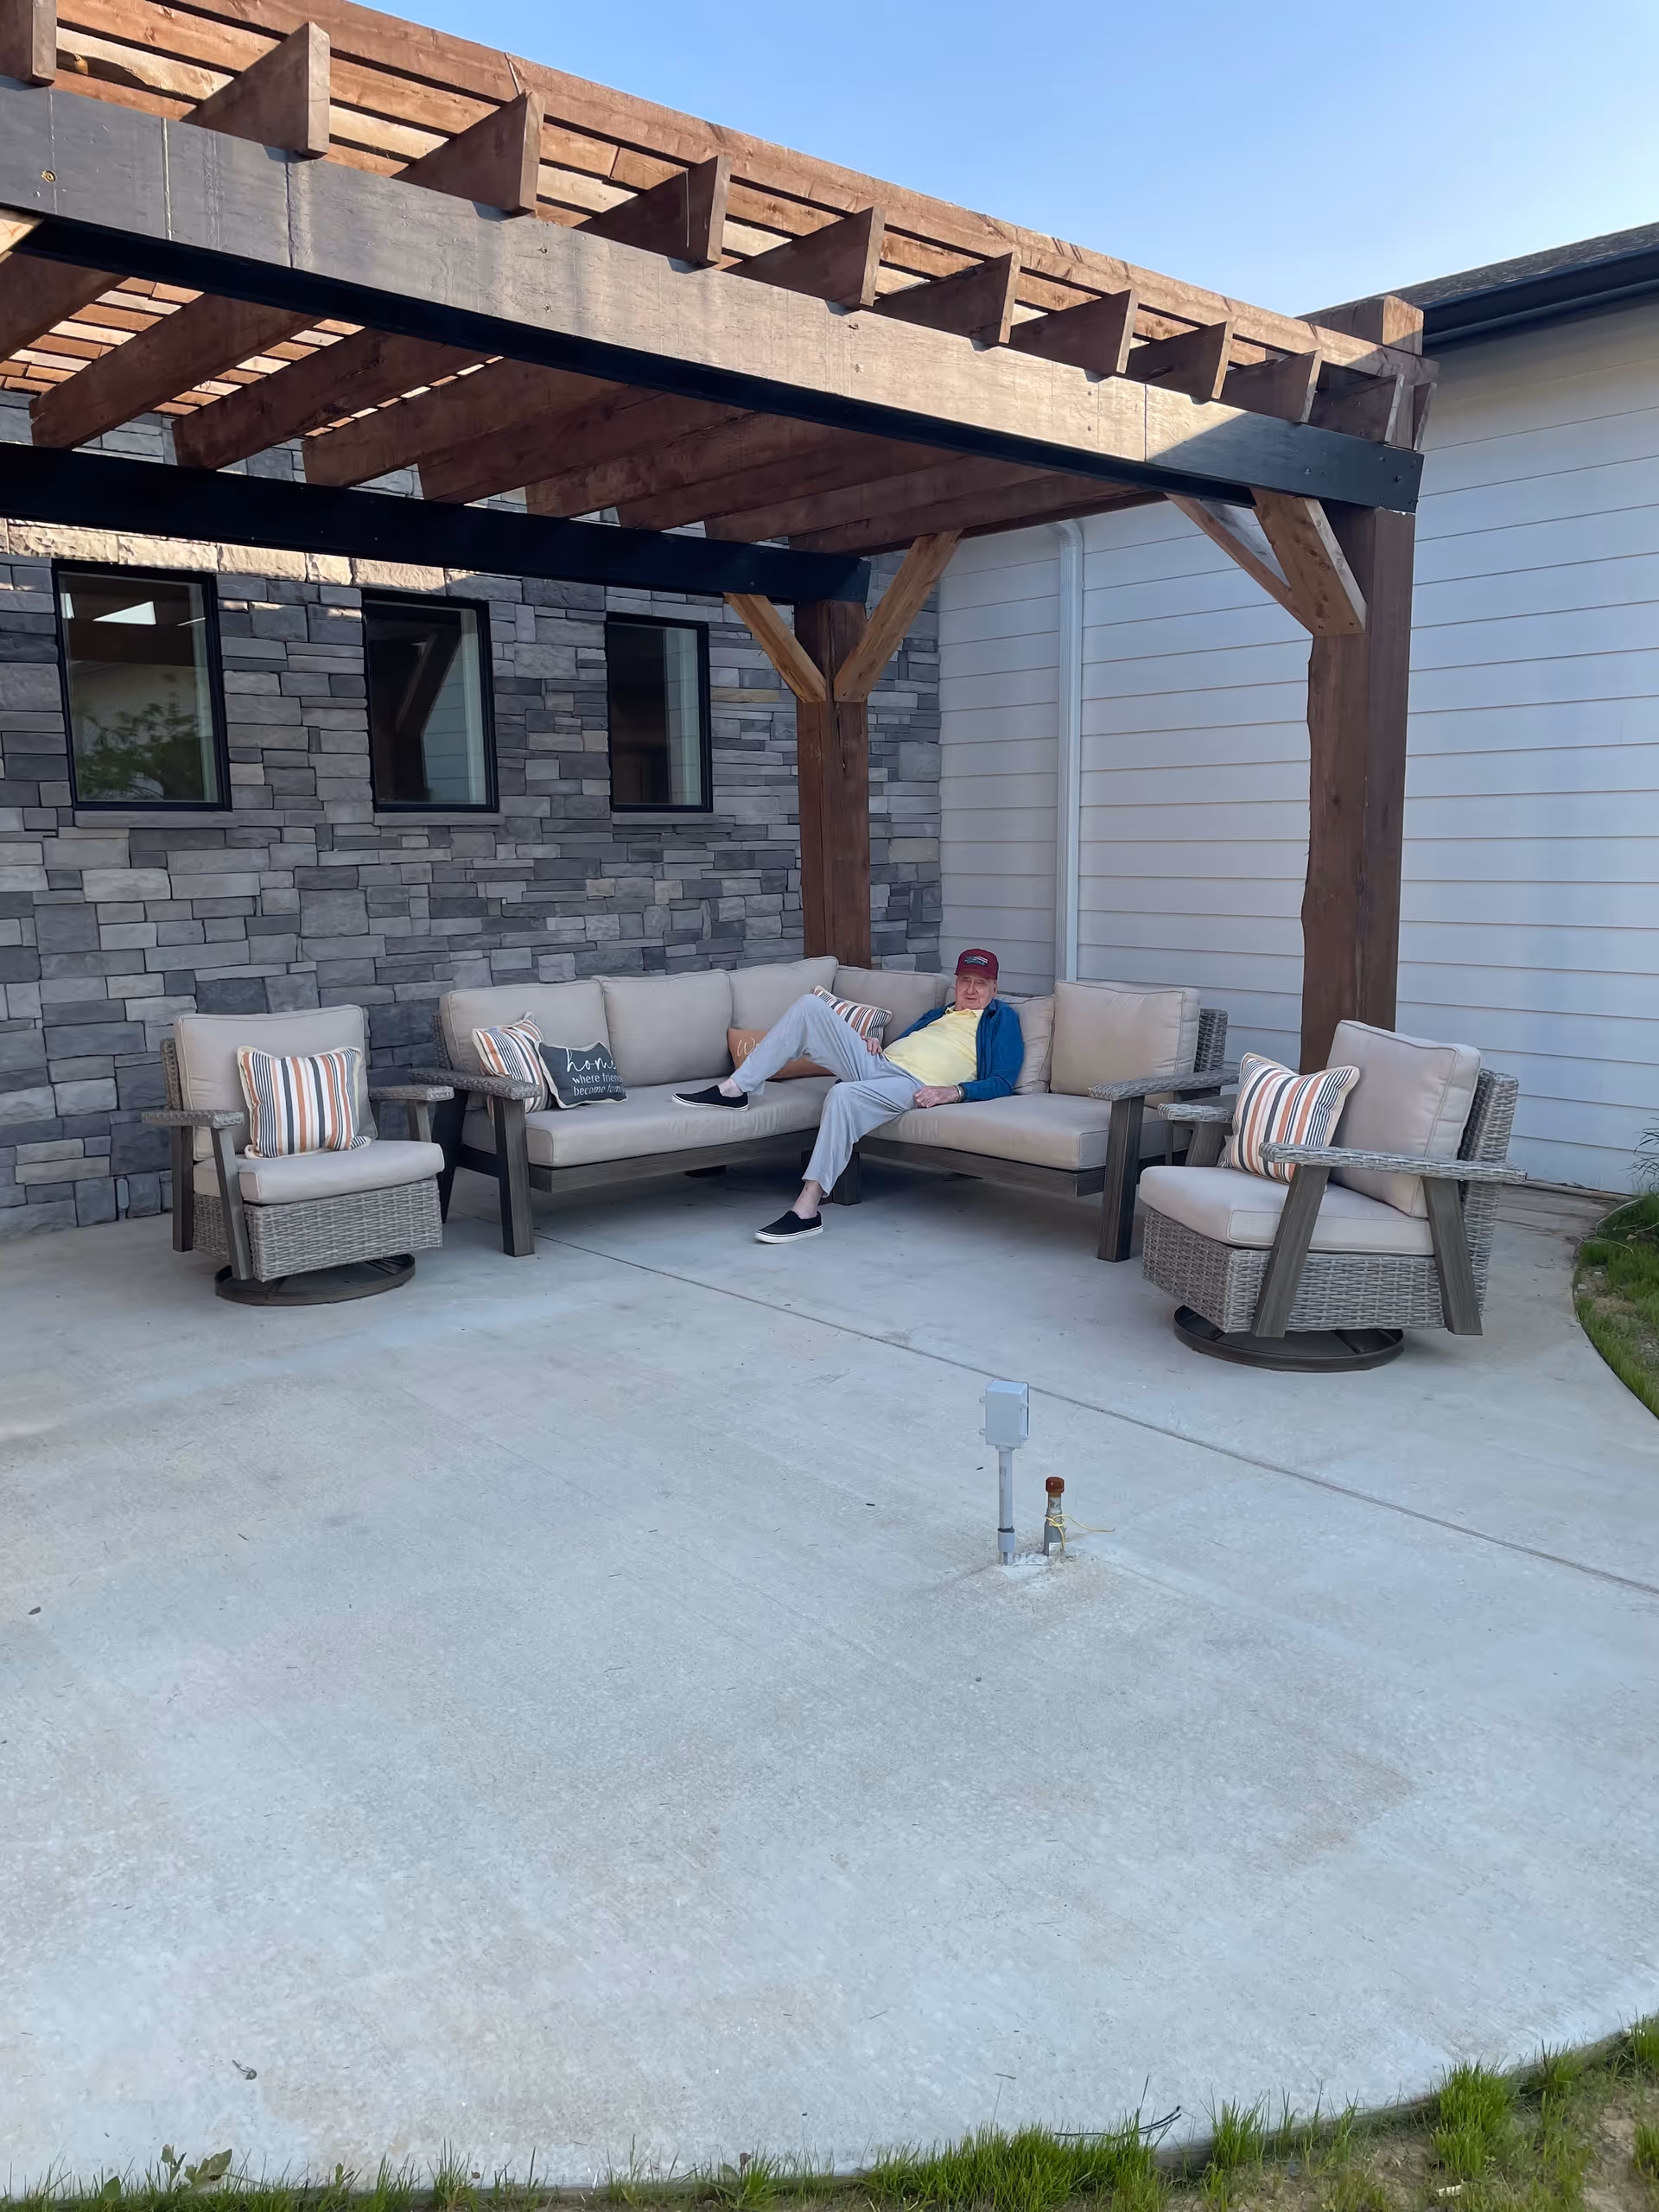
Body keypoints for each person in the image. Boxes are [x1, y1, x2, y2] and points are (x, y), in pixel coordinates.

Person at [674, 948, 1023, 1243]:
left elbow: (1003, 1080)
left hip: (912, 1084)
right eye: (965, 981)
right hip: (880, 1062)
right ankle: (735, 1089)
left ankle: (807, 1208)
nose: (972, 990)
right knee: (810, 1006)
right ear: (956, 983)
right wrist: (879, 1044)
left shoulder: (1000, 1019)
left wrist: (956, 1091)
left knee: (843, 1095)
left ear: (994, 988)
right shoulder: (937, 1015)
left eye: (981, 984)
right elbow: (913, 1046)